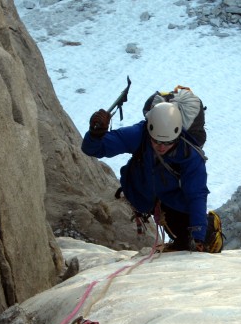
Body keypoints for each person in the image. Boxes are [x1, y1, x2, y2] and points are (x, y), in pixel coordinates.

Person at [82, 102, 210, 252]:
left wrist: (198, 236)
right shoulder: (139, 135)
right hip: (141, 195)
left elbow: (197, 195)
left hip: (171, 203)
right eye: (156, 141)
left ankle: (183, 241)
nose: (161, 147)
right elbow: (92, 149)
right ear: (149, 132)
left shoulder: (190, 155)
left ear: (177, 136)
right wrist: (95, 134)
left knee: (185, 230)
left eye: (167, 143)